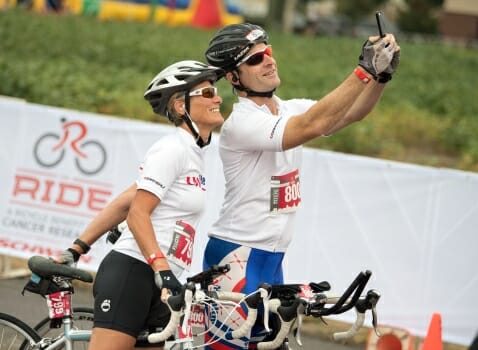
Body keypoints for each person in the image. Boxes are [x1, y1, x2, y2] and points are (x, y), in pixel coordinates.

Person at [201, 22, 400, 349]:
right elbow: (315, 123)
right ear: (234, 78)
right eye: (254, 60)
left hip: (272, 260)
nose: (267, 60)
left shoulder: (289, 109)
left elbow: (352, 112)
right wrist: (363, 70)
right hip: (237, 256)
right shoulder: (243, 122)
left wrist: (381, 77)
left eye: (267, 52)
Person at [58, 60, 225, 350]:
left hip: (161, 283)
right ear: (181, 106)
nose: (219, 98)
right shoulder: (171, 149)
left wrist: (77, 247)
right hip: (133, 271)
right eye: (208, 93)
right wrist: (161, 268)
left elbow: (126, 201)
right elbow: (137, 214)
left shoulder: (193, 155)